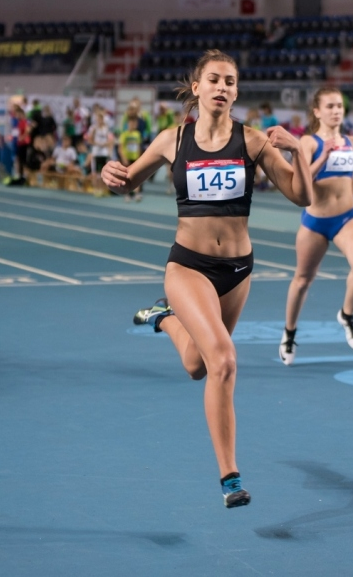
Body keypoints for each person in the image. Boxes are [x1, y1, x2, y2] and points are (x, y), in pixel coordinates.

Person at [100, 49, 312, 508]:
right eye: (213, 79)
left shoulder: (253, 142)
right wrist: (109, 172)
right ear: (195, 87)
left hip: (237, 271)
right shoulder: (172, 140)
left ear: (237, 91)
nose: (222, 88)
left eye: (230, 81)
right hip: (189, 266)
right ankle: (230, 477)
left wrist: (299, 151)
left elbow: (301, 196)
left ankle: (164, 318)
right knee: (224, 361)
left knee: (198, 366)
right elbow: (126, 182)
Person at [279, 87, 353, 366]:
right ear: (317, 111)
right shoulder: (307, 142)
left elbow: (349, 171)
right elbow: (300, 178)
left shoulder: (351, 142)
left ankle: (347, 314)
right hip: (315, 221)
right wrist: (324, 155)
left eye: (340, 106)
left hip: (347, 217)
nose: (336, 111)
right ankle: (289, 333)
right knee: (303, 280)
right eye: (330, 106)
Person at [86, 111, 114, 196]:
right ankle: (97, 189)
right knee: (96, 172)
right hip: (96, 153)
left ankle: (104, 189)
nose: (99, 120)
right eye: (98, 119)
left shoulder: (106, 129)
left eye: (101, 119)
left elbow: (110, 140)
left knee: (104, 172)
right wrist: (97, 144)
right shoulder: (93, 128)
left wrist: (108, 149)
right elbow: (90, 140)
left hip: (104, 153)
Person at [119, 117, 144, 202]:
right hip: (127, 158)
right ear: (128, 124)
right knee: (127, 177)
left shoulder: (137, 134)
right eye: (131, 123)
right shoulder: (124, 134)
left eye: (134, 123)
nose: (133, 125)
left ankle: (137, 193)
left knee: (137, 176)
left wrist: (139, 157)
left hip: (135, 157)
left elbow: (139, 146)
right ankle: (127, 194)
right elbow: (120, 147)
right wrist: (123, 157)